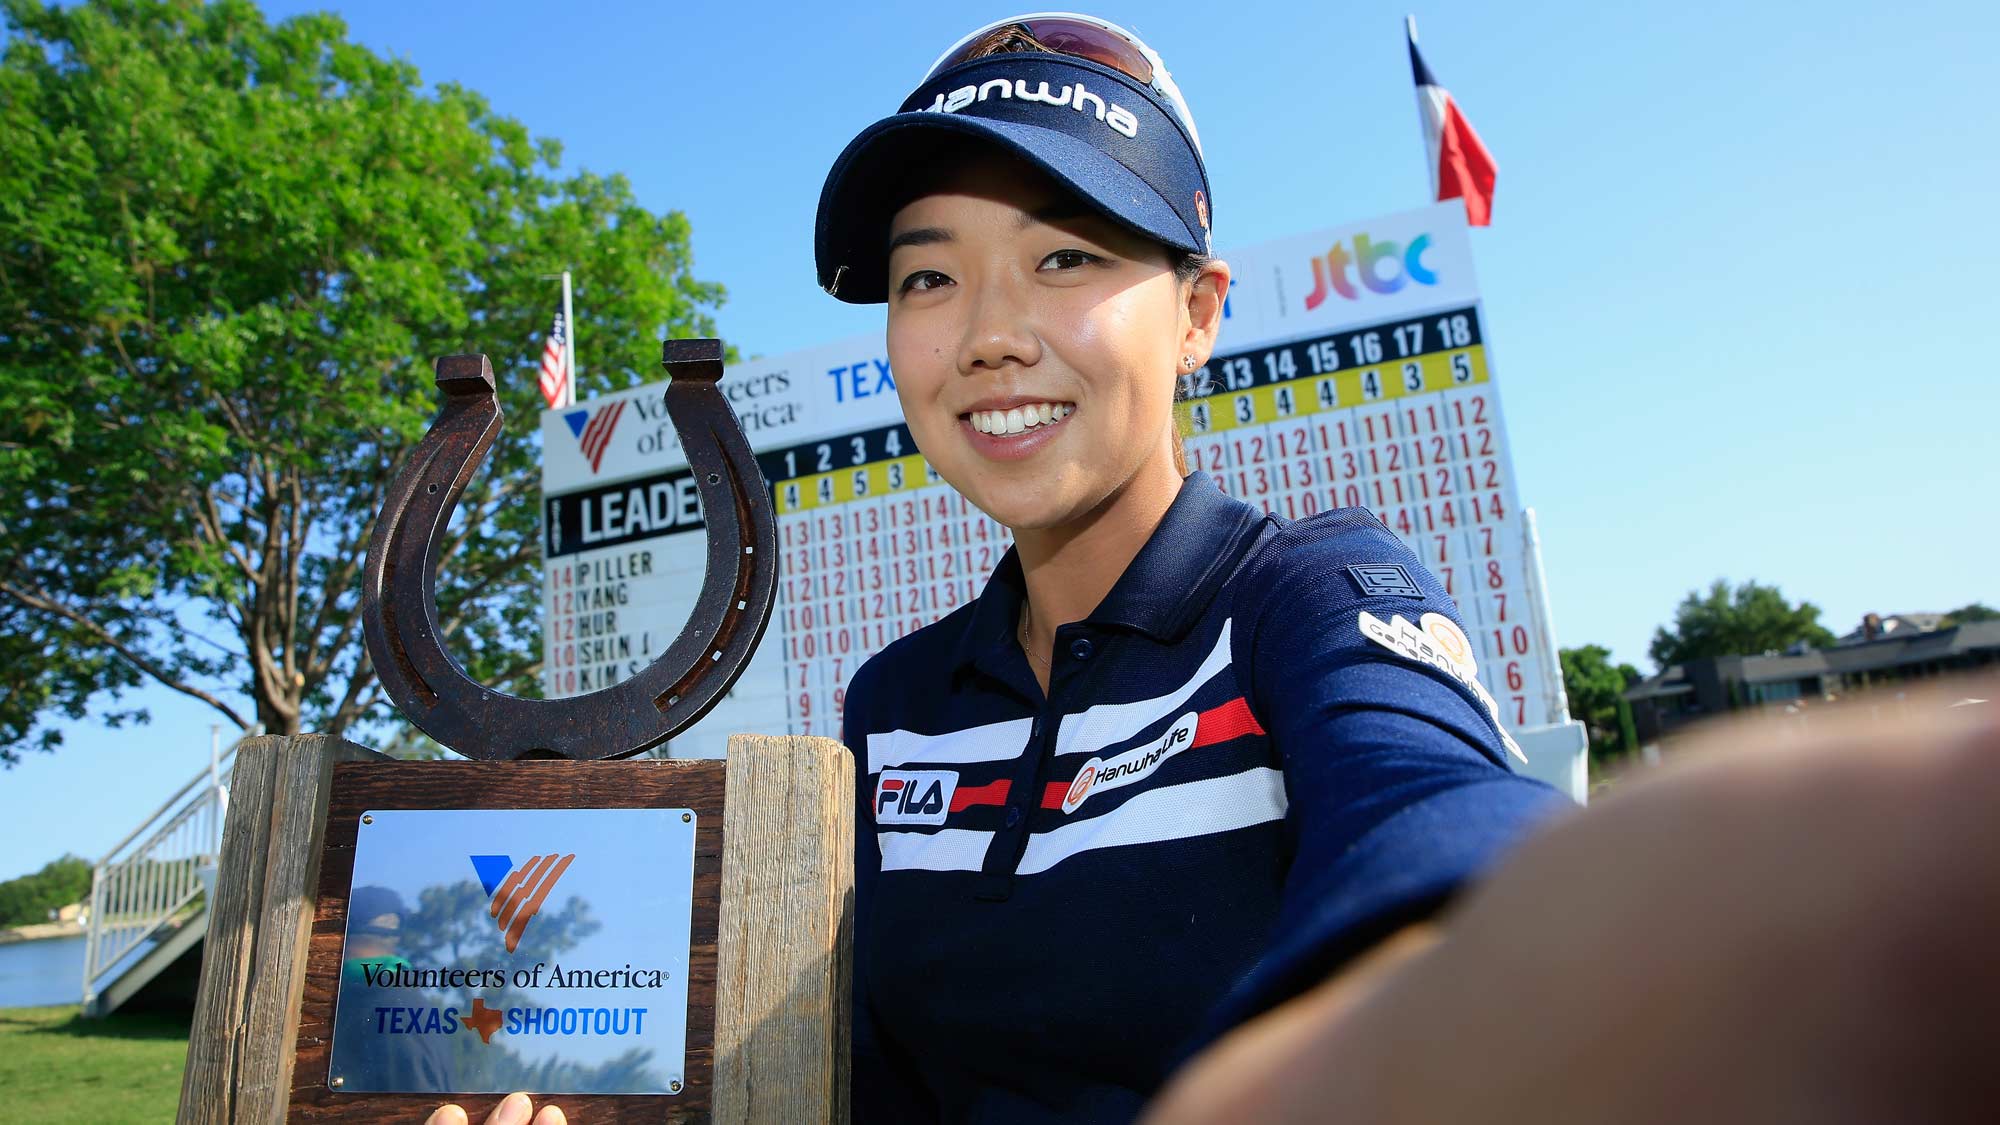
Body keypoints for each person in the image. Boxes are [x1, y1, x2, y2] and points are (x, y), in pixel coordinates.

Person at [431, 14, 2000, 1125]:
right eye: (928, 276)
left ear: (1197, 312)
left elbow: (1437, 827)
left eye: (1066, 257)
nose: (989, 331)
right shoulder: (892, 704)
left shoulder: (1312, 598)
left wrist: (1517, 965)